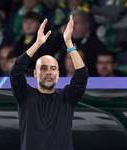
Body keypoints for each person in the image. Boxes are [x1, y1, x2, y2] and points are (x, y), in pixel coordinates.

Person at [10, 15, 88, 150]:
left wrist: (69, 44)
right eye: (43, 68)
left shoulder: (67, 98)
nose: (48, 72)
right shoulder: (25, 96)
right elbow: (16, 71)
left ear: (58, 75)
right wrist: (37, 44)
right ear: (35, 73)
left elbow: (82, 75)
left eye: (53, 69)